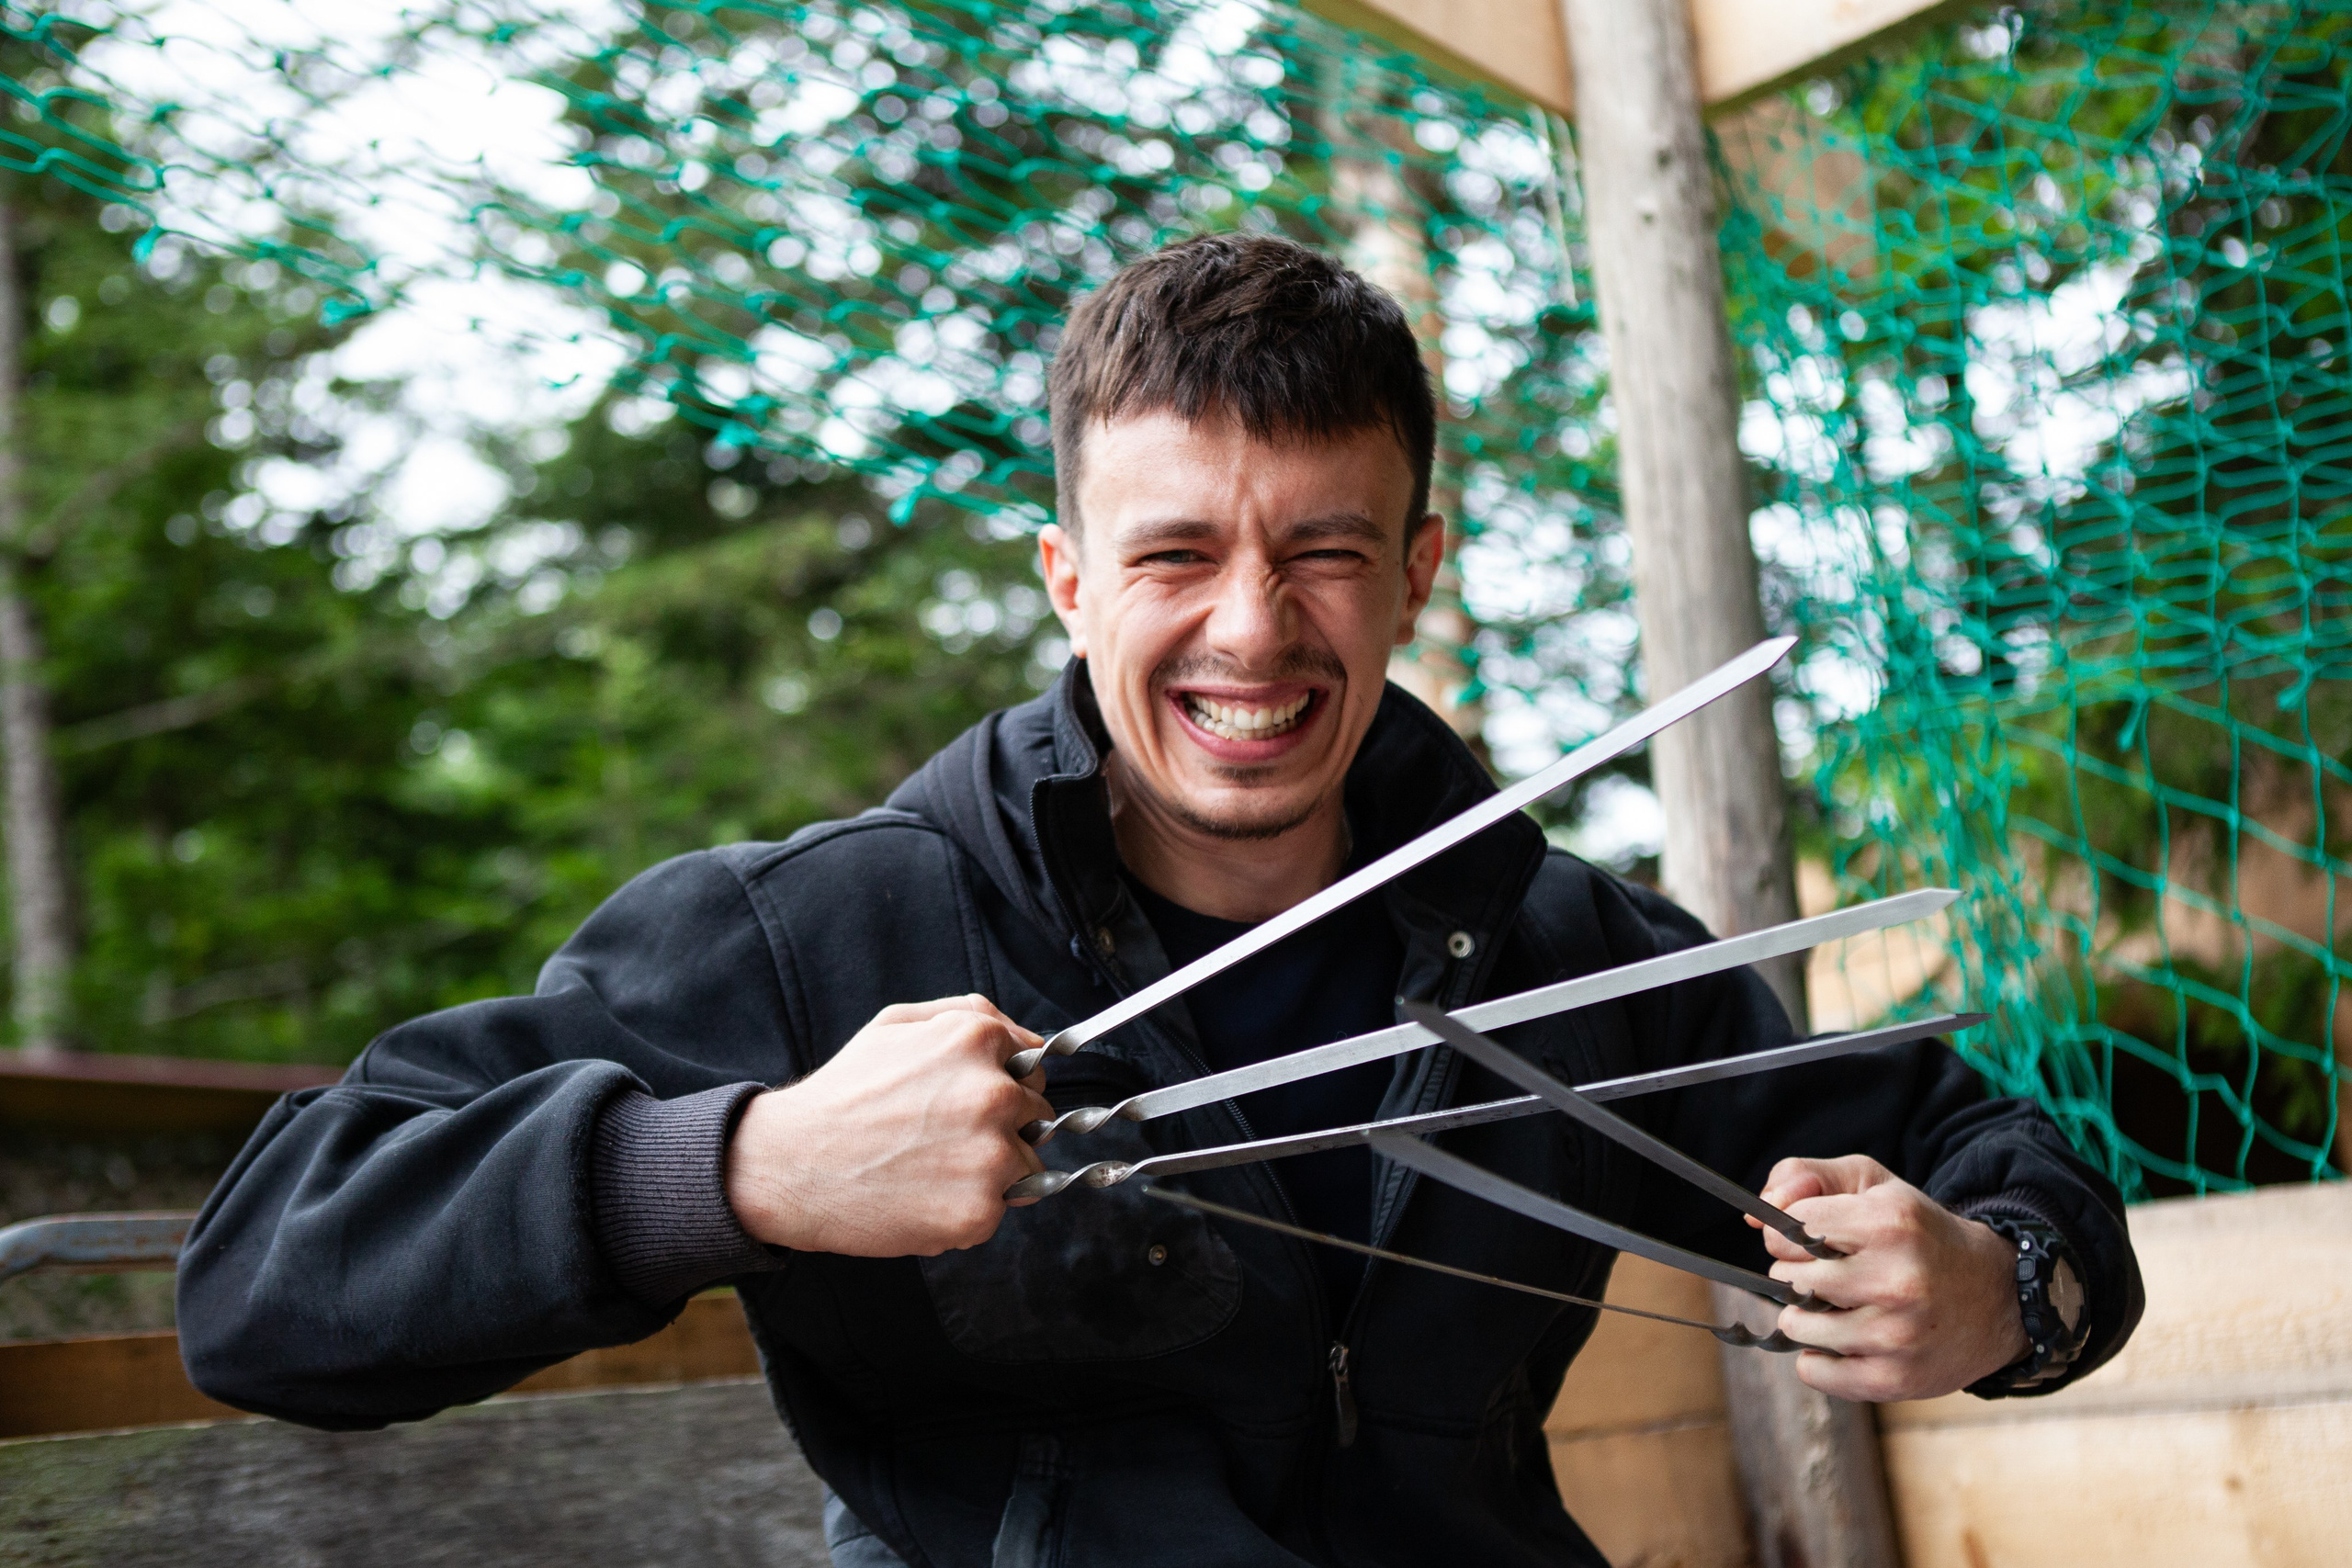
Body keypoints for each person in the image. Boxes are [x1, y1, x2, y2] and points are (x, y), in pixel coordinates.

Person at [179, 233, 2143, 1567]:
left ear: (1416, 569)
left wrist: (1995, 1287)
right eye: (1175, 551)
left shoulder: (1556, 950)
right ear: (1063, 575)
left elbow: (1995, 1164)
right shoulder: (824, 931)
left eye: (1323, 551)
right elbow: (264, 1276)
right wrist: (750, 1162)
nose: (1250, 629)